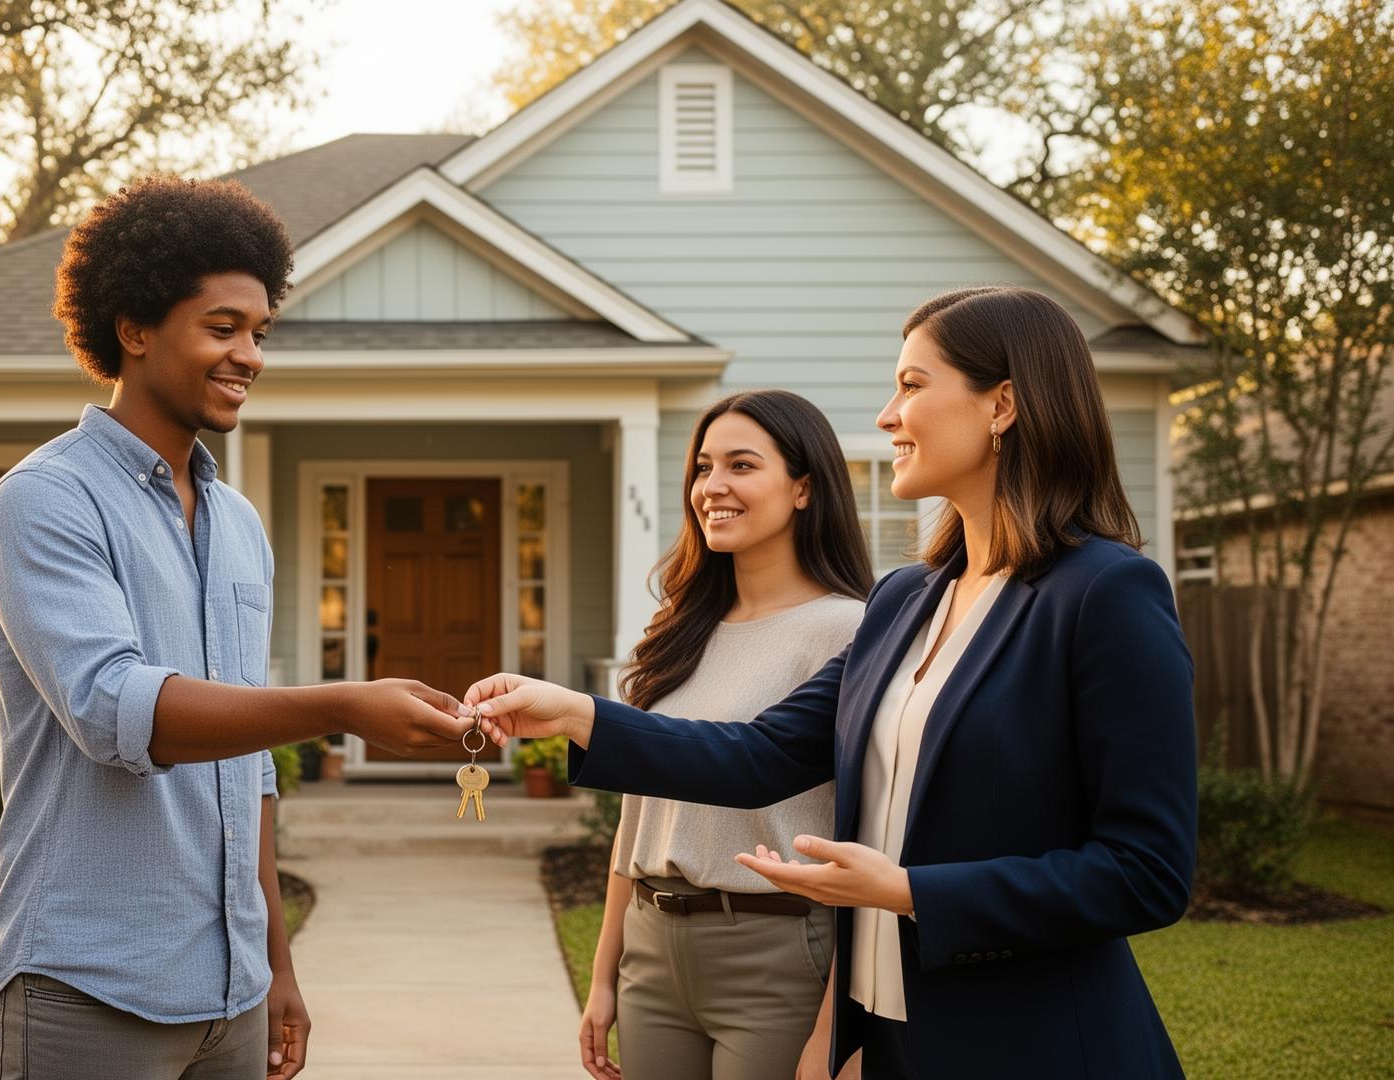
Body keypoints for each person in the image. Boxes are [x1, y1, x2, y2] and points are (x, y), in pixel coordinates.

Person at [468, 287, 1196, 1080]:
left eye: (912, 386)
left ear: (1004, 405)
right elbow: (759, 756)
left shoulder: (1104, 594)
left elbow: (1146, 872)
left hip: (1029, 1042)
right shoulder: (905, 600)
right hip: (888, 1042)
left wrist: (913, 891)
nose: (887, 415)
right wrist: (575, 714)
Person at [0, 177, 469, 1080]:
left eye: (260, 331)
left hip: (231, 994)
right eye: (222, 327)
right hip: (89, 984)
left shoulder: (238, 523)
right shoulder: (44, 501)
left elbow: (249, 773)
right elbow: (116, 711)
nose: (250, 354)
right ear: (133, 329)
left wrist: (275, 962)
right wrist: (343, 706)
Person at [581, 390, 871, 1080]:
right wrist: (605, 972)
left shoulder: (851, 631)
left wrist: (836, 1029)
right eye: (704, 467)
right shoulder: (678, 630)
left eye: (742, 466)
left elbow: (870, 836)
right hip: (651, 948)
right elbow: (638, 813)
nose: (713, 487)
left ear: (804, 488)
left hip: (776, 952)